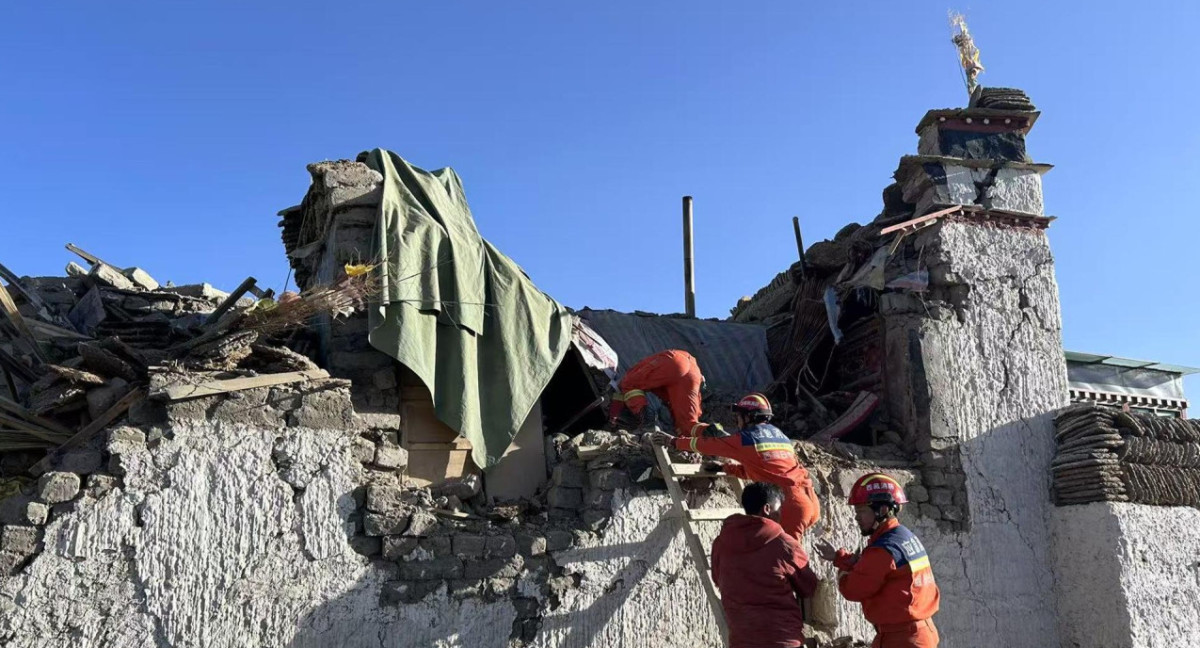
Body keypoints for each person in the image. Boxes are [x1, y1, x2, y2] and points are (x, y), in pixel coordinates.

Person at [653, 393, 820, 538]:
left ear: (748, 417)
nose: (737, 421)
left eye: (739, 416)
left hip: (789, 505)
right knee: (782, 559)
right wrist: (726, 468)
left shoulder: (747, 439)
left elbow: (709, 444)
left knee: (784, 564)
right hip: (809, 501)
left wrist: (674, 441)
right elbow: (764, 471)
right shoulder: (780, 436)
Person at [814, 473, 940, 648]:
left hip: (902, 639)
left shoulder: (883, 550)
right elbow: (871, 568)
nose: (857, 518)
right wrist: (838, 557)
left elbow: (853, 589)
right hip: (918, 632)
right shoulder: (901, 536)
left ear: (881, 510)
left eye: (862, 511)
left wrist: (843, 572)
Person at [711, 481, 818, 648]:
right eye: (779, 508)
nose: (781, 514)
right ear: (767, 509)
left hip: (741, 639)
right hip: (782, 639)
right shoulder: (784, 544)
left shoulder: (721, 543)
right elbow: (808, 586)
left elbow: (718, 580)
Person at [607, 349, 706, 436]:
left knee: (628, 384)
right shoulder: (657, 381)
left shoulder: (632, 373)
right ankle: (715, 434)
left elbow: (621, 388)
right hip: (694, 371)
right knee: (687, 424)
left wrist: (613, 416)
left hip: (673, 361)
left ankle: (648, 420)